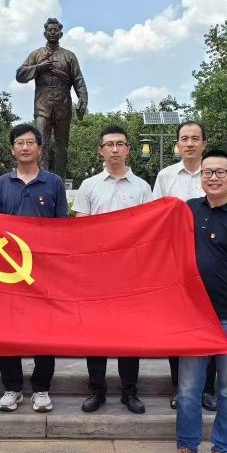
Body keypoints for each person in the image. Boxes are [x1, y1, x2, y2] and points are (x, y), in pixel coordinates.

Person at [166, 149, 227, 453]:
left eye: (220, 172)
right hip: (193, 318)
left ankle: (222, 452)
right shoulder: (188, 211)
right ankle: (186, 447)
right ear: (200, 177)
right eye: (207, 172)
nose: (213, 177)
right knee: (188, 389)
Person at [72, 125, 152, 415]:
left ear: (128, 149)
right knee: (95, 333)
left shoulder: (142, 187)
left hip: (131, 273)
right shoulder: (89, 185)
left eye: (120, 144)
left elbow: (149, 229)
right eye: (109, 144)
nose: (115, 149)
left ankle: (130, 391)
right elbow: (81, 228)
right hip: (96, 273)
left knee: (130, 334)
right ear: (101, 151)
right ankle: (97, 390)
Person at [0, 123, 69, 413]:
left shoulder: (54, 183)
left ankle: (41, 388)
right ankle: (12, 388)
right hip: (10, 271)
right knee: (6, 330)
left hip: (44, 272)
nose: (25, 147)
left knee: (44, 329)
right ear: (12, 150)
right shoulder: (1, 184)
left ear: (40, 148)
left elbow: (63, 228)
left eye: (30, 142)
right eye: (19, 143)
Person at [152, 121, 217, 411]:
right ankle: (179, 386)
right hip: (175, 262)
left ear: (204, 143)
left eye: (195, 138)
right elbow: (155, 217)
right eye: (184, 139)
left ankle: (208, 388)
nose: (189, 143)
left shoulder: (214, 173)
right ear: (177, 144)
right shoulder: (166, 176)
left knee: (210, 323)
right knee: (178, 326)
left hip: (211, 258)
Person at [16, 18, 89, 178]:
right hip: (43, 107)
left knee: (62, 147)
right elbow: (20, 75)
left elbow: (78, 80)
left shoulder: (69, 56)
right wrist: (38, 68)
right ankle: (42, 180)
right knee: (41, 144)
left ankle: (59, 181)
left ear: (61, 34)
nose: (53, 32)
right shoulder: (36, 54)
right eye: (50, 30)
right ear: (45, 34)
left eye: (56, 30)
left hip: (63, 106)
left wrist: (83, 99)